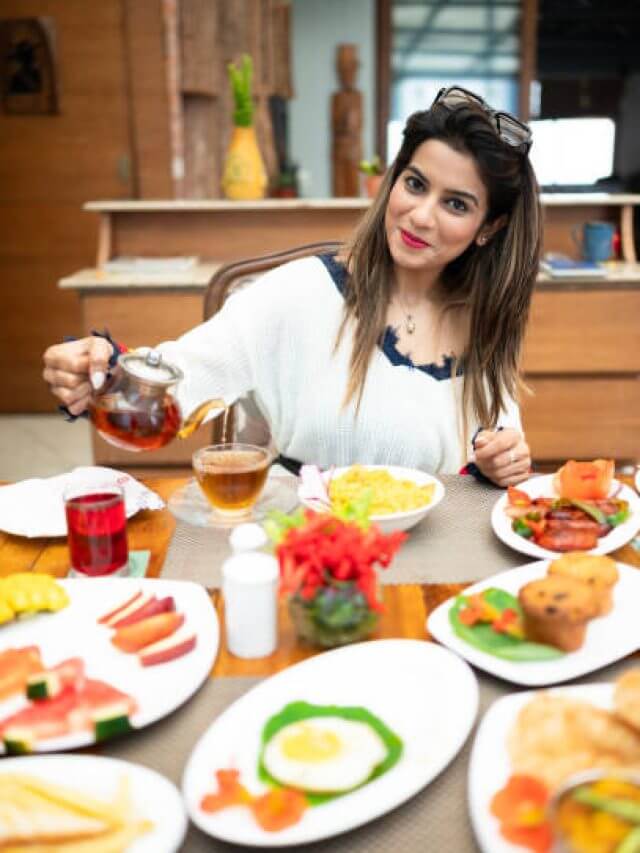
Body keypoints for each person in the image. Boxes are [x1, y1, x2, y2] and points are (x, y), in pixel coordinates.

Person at [43, 85, 542, 487]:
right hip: (302, 544)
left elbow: (497, 446)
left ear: (488, 227)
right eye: (415, 184)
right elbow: (179, 382)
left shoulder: (485, 322)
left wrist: (501, 462)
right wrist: (99, 372)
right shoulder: (301, 293)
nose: (421, 215)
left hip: (429, 552)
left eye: (456, 204)